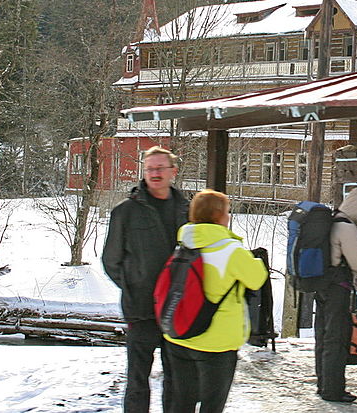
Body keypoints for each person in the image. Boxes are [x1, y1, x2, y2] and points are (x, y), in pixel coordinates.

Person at [163, 189, 267, 413]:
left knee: (181, 402)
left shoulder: (182, 244)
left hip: (179, 335)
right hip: (217, 344)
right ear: (219, 216)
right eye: (227, 211)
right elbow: (257, 279)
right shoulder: (231, 250)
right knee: (212, 406)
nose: (228, 216)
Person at [102, 146, 188, 413]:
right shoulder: (125, 212)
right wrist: (134, 285)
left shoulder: (188, 210)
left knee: (177, 380)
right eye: (149, 168)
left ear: (173, 171)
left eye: (160, 168)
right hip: (141, 309)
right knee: (138, 380)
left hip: (178, 310)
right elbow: (111, 260)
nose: (154, 173)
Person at [314, 187, 357, 403]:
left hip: (322, 286)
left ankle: (323, 384)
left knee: (323, 337)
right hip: (337, 289)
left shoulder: (332, 220)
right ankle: (333, 390)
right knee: (337, 338)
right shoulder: (346, 227)